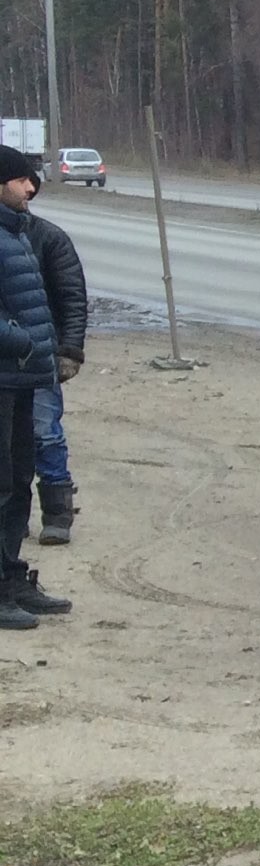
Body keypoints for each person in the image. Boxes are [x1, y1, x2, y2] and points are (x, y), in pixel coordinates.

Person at [0, 149, 69, 630]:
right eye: (23, 181)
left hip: (21, 379)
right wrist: (22, 341)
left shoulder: (17, 233)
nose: (31, 190)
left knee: (17, 481)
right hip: (5, 375)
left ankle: (10, 577)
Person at [25, 184, 86, 546]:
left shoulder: (48, 238)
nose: (29, 189)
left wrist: (70, 350)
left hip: (40, 356)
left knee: (44, 432)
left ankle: (58, 512)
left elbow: (72, 298)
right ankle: (12, 516)